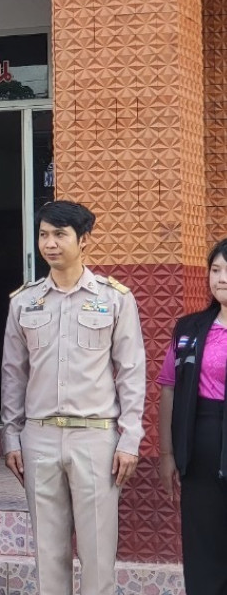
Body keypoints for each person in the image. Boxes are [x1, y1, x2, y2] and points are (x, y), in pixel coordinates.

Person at [1, 200, 145, 595]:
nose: (50, 243)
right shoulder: (24, 301)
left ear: (83, 240)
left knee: (98, 554)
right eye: (43, 235)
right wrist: (11, 435)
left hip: (95, 437)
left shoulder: (115, 299)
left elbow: (131, 372)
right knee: (48, 554)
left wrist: (130, 438)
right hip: (39, 437)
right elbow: (13, 374)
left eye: (59, 235)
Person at [157, 237, 227, 595]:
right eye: (216, 270)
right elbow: (169, 387)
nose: (222, 278)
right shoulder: (189, 329)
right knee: (202, 540)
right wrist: (167, 453)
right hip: (200, 442)